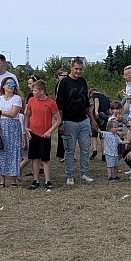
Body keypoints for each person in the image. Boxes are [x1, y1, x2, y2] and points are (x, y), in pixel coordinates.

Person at [56, 57, 97, 185]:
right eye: (76, 69)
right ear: (71, 68)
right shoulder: (64, 83)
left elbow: (86, 103)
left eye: (80, 69)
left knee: (85, 149)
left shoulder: (83, 82)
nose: (78, 71)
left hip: (83, 121)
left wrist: (92, 120)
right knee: (69, 150)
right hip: (69, 121)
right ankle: (70, 175)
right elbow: (59, 105)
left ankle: (84, 173)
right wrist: (60, 123)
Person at [25, 78, 60, 190]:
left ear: (41, 91)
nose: (33, 92)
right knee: (34, 158)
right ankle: (35, 180)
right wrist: (26, 127)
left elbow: (58, 120)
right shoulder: (31, 100)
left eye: (35, 90)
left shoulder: (51, 103)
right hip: (33, 132)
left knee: (45, 158)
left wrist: (50, 131)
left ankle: (47, 180)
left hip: (45, 134)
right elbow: (27, 115)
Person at [0, 76, 25, 187]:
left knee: (13, 152)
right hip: (1, 126)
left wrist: (0, 111)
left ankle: (13, 180)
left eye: (13, 84)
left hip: (13, 127)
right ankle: (2, 180)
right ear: (3, 86)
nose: (11, 87)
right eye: (8, 84)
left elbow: (13, 113)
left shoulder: (17, 98)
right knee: (0, 151)